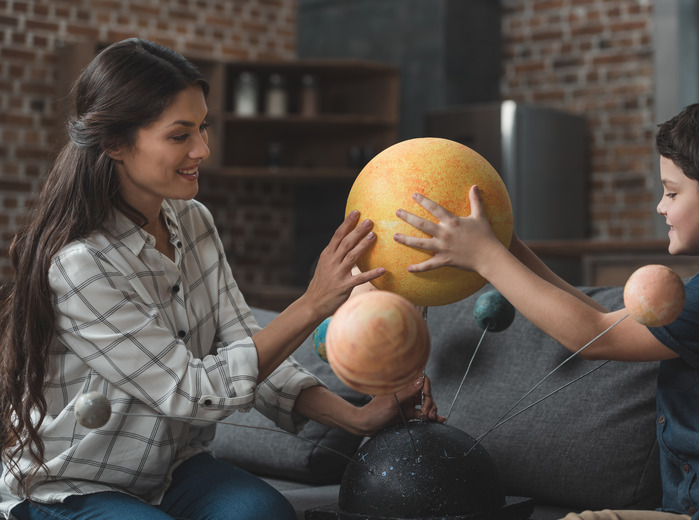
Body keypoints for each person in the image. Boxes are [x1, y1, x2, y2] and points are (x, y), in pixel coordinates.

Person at [0, 38, 443, 520]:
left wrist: (356, 418)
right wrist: (313, 303)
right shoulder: (78, 263)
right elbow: (191, 390)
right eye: (179, 135)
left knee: (264, 515)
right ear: (115, 144)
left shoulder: (194, 221)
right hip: (72, 482)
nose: (203, 149)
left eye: (203, 127)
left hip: (172, 471)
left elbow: (245, 345)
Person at [392, 94, 699, 519]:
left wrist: (487, 257)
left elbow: (591, 335)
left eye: (671, 192)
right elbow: (596, 320)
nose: (660, 206)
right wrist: (505, 244)